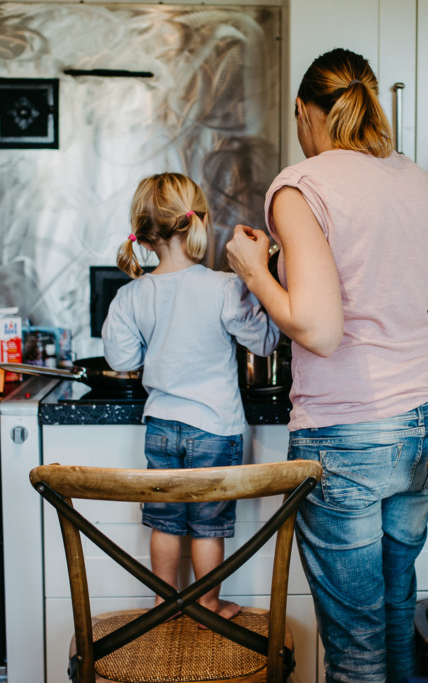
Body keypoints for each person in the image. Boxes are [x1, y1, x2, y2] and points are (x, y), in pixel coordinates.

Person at [225, 48, 428, 683]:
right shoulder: (419, 181)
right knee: (396, 612)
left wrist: (253, 271)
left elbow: (319, 330)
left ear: (304, 112)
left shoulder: (302, 185)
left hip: (349, 430)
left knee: (356, 646)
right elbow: (420, 298)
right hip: (426, 419)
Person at [102, 172, 279, 622]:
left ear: (142, 232)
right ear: (195, 221)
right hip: (214, 427)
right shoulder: (223, 287)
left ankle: (163, 603)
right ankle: (207, 603)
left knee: (163, 522)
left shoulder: (131, 294)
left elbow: (121, 357)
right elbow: (264, 342)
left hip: (160, 425)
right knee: (208, 524)